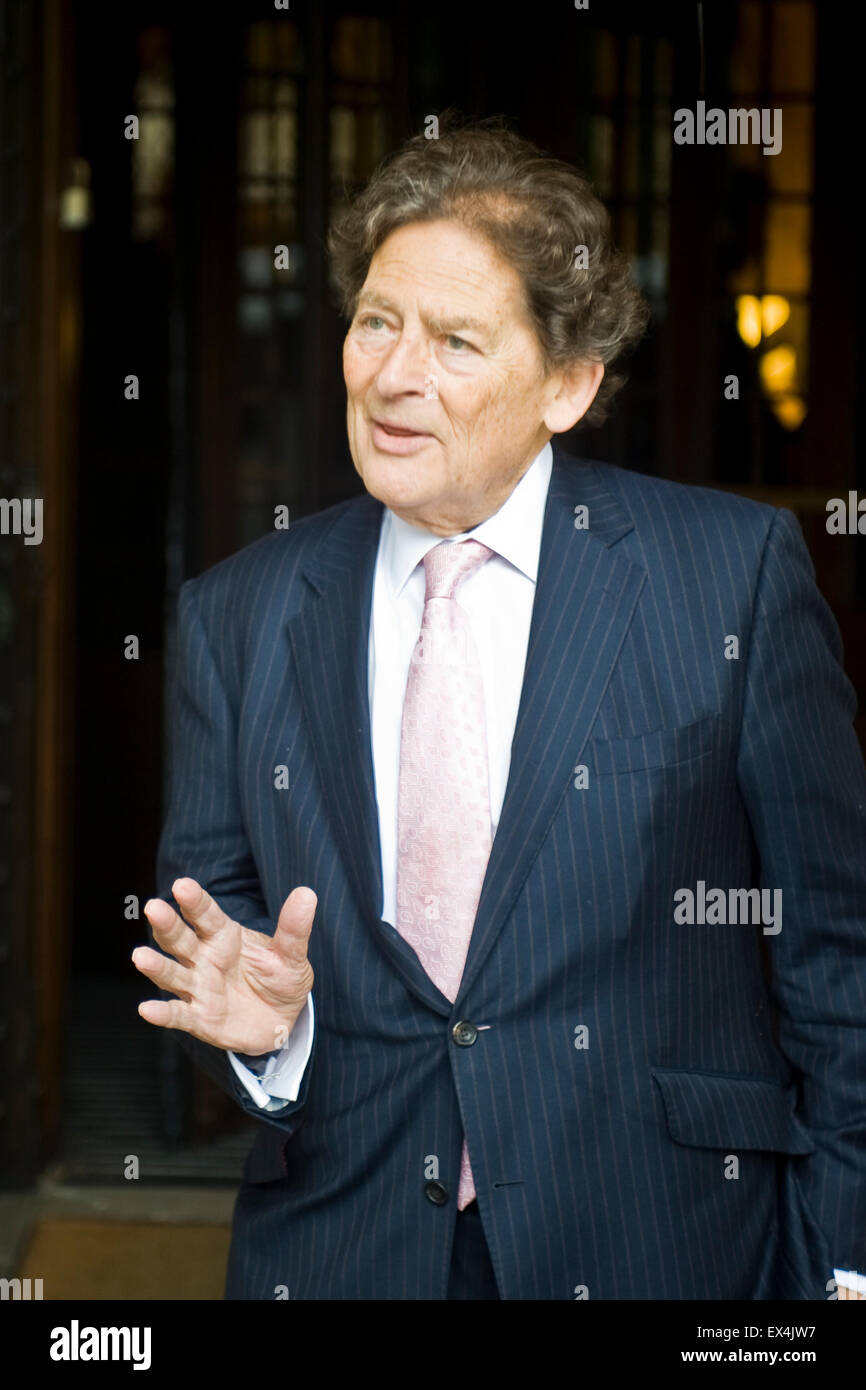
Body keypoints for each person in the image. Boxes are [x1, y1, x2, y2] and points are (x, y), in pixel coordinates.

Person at [133, 117, 866, 1300]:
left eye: (455, 341)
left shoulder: (725, 576)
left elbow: (838, 957)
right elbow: (219, 921)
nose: (392, 373)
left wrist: (843, 1269)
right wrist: (271, 1034)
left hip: (659, 1246)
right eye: (375, 322)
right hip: (343, 1249)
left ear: (566, 384)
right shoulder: (238, 614)